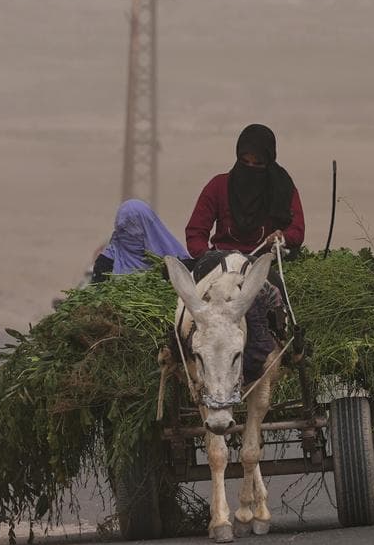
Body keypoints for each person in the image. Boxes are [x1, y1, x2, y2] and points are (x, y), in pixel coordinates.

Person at [185, 124, 306, 384]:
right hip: (219, 262)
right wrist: (208, 258)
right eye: (245, 162)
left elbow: (297, 230)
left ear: (269, 161)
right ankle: (180, 347)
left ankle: (287, 347)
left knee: (275, 292)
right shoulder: (218, 186)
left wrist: (281, 237)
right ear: (237, 157)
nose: (250, 168)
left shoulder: (282, 187)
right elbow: (195, 232)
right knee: (187, 300)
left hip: (260, 260)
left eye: (258, 164)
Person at [90, 199, 188, 284]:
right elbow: (97, 294)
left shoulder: (172, 261)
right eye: (123, 230)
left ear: (147, 227)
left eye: (133, 229)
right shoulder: (107, 261)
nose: (128, 235)